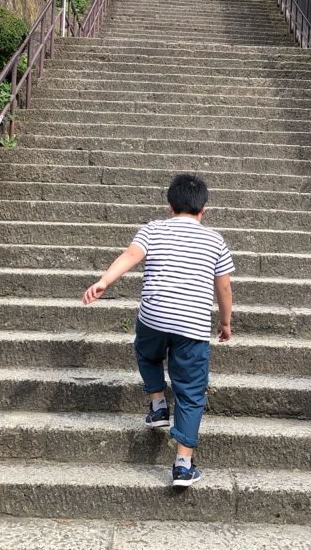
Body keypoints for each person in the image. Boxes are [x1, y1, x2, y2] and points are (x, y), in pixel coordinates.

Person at [82, 173, 234, 487]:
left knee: (146, 353)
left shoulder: (153, 229)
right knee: (191, 393)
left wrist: (104, 281)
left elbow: (130, 256)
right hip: (192, 324)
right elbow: (224, 287)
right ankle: (182, 465)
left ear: (170, 205)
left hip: (154, 316)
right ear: (203, 208)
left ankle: (157, 404)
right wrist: (225, 322)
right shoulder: (215, 240)